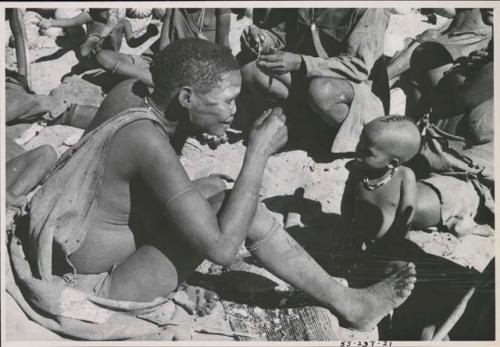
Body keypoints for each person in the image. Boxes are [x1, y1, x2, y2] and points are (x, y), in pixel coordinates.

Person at [24, 39, 416, 332]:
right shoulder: (147, 141)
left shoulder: (130, 96)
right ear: (187, 97)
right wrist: (257, 154)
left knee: (212, 188)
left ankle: (344, 298)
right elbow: (224, 251)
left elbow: (120, 191)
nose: (234, 111)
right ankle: (349, 304)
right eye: (227, 101)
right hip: (97, 285)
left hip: (76, 248)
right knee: (236, 207)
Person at [239, 8, 390, 153]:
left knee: (321, 91)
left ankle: (338, 136)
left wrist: (301, 62)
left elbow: (358, 67)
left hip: (352, 87)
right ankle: (307, 126)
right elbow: (279, 35)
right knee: (251, 68)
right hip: (309, 74)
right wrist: (261, 40)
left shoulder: (371, 8)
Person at [343, 115, 493, 244]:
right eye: (360, 142)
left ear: (392, 163)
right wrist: (348, 229)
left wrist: (395, 246)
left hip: (392, 243)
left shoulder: (404, 176)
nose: (357, 150)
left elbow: (406, 217)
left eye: (367, 151)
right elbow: (347, 202)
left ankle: (462, 221)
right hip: (361, 237)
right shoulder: (357, 170)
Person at [95, 8, 231, 88]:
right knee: (104, 57)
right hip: (166, 62)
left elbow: (224, 52)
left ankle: (154, 84)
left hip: (197, 68)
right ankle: (161, 85)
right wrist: (166, 65)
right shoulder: (175, 7)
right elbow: (164, 46)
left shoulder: (220, 9)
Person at [37, 8, 158, 58]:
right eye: (104, 9)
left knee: (109, 58)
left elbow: (132, 43)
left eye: (111, 8)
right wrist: (52, 23)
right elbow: (71, 21)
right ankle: (92, 42)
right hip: (90, 56)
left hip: (110, 56)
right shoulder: (90, 16)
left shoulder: (124, 22)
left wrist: (148, 35)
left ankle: (99, 37)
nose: (110, 12)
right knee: (85, 52)